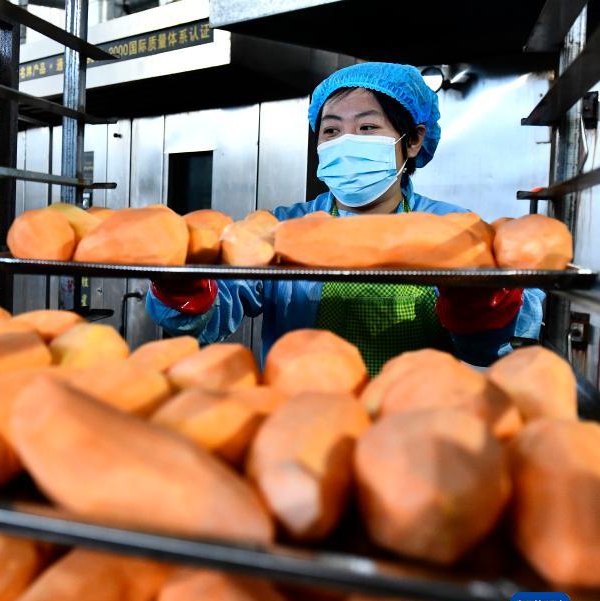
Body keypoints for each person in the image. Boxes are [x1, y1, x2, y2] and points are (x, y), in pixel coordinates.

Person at [147, 62, 544, 373]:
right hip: (304, 423)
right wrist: (184, 286)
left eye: (367, 127)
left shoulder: (456, 230)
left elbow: (493, 349)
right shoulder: (281, 230)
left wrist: (480, 299)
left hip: (414, 426)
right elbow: (203, 325)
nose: (346, 143)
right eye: (332, 131)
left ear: (413, 140)